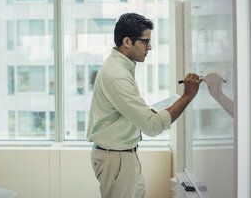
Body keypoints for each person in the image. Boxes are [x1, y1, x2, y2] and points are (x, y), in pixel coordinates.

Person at [86, 13, 203, 198]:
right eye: (145, 42)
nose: (150, 47)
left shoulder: (121, 67)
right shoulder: (117, 75)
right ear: (127, 41)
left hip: (123, 156)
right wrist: (187, 96)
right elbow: (152, 126)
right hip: (117, 159)